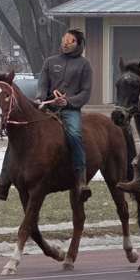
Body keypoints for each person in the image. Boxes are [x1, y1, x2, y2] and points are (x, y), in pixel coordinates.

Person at [36, 29, 94, 201]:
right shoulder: (50, 62)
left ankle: (81, 180)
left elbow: (86, 93)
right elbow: (42, 84)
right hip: (47, 107)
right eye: (64, 40)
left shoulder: (85, 65)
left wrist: (68, 102)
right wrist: (40, 97)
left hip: (70, 109)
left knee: (75, 135)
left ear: (79, 44)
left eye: (71, 40)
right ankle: (4, 179)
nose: (66, 43)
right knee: (24, 129)